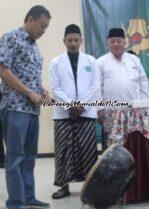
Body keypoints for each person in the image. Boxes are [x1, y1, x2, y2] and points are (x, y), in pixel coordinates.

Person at [0, 5, 51, 209]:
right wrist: (29, 93)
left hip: (32, 110)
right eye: (42, 26)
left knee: (29, 158)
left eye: (46, 28)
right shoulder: (11, 37)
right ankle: (16, 203)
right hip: (15, 108)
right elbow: (2, 70)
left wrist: (41, 90)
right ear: (30, 19)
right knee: (15, 159)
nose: (43, 31)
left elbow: (29, 77)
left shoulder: (34, 46)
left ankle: (29, 198)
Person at [50, 24, 99, 199]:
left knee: (87, 151)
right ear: (64, 41)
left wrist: (81, 106)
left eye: (76, 40)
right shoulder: (56, 62)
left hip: (85, 113)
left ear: (81, 41)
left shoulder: (91, 61)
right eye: (69, 40)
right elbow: (55, 89)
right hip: (64, 114)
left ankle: (89, 187)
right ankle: (63, 186)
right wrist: (70, 106)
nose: (72, 43)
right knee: (63, 151)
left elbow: (95, 87)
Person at [96, 28, 149, 122]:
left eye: (118, 41)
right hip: (110, 112)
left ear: (125, 42)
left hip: (135, 110)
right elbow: (97, 88)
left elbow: (143, 83)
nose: (115, 44)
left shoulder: (134, 60)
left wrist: (145, 105)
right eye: (112, 42)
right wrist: (100, 109)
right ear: (108, 43)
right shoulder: (100, 62)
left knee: (134, 136)